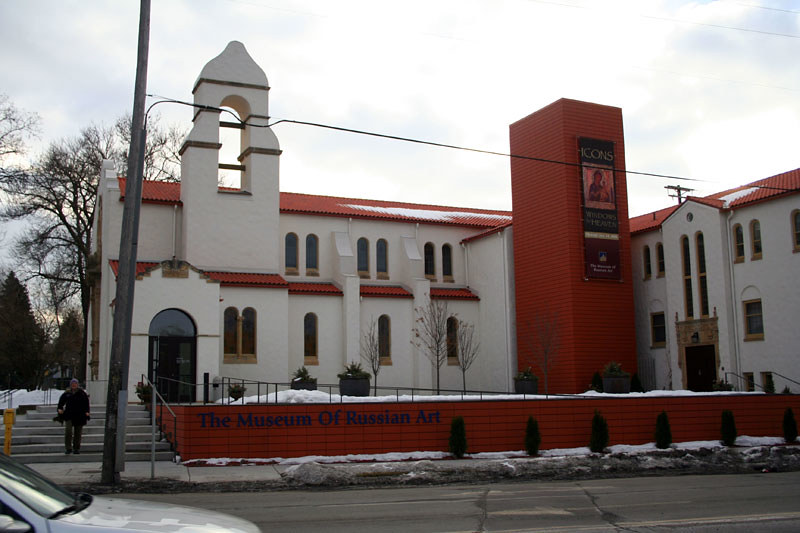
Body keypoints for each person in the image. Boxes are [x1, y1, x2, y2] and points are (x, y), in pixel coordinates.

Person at [57, 378, 90, 455]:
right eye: (72, 384)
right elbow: (61, 402)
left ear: (77, 384)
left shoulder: (82, 393)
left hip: (79, 415)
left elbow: (86, 403)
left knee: (78, 433)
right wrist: (60, 409)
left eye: (75, 383)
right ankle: (68, 448)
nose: (74, 385)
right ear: (70, 385)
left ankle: (76, 448)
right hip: (69, 414)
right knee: (68, 431)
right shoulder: (67, 393)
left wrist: (87, 412)